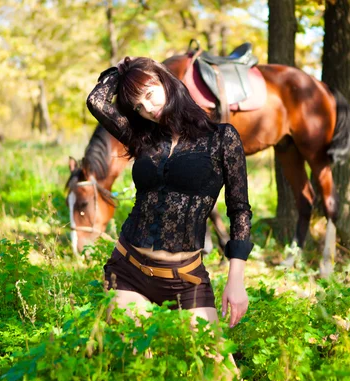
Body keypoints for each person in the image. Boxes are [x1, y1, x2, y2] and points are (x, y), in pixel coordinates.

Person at [86, 56, 253, 331]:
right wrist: (120, 72)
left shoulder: (222, 138)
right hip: (129, 271)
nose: (148, 109)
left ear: (166, 80)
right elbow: (97, 101)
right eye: (138, 106)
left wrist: (236, 279)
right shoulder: (142, 138)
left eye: (150, 95)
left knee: (218, 371)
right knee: (139, 367)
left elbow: (240, 211)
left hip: (186, 278)